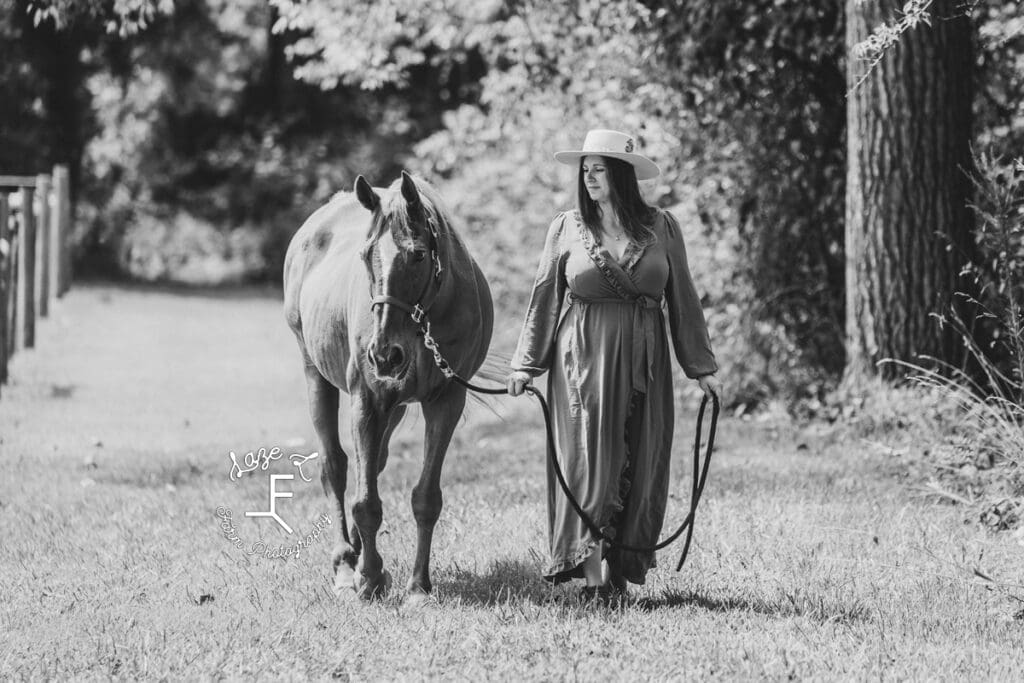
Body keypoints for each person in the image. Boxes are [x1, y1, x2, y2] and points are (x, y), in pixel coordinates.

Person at [506, 128, 721, 599]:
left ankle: (620, 570)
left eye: (599, 170)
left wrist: (700, 366)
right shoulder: (565, 227)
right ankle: (592, 577)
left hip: (647, 357)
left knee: (640, 459)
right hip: (582, 359)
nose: (589, 179)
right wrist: (526, 365)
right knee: (590, 460)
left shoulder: (662, 227)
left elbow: (682, 295)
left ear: (622, 175)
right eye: (585, 171)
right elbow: (544, 298)